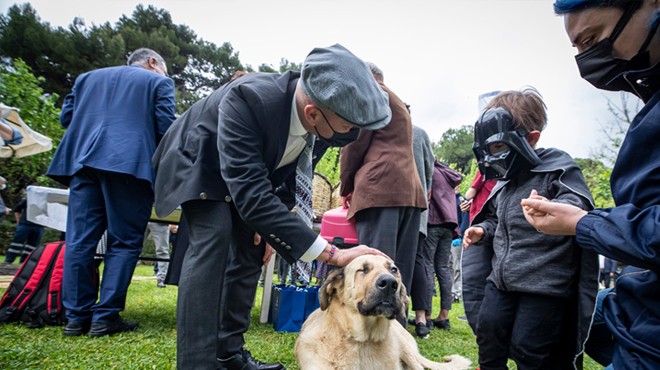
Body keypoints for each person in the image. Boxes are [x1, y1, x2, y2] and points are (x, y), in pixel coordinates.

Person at [152, 44, 392, 370]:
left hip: (247, 178)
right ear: (312, 113)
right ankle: (197, 364)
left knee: (253, 248)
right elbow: (250, 193)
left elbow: (290, 180)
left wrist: (271, 230)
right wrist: (333, 254)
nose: (353, 133)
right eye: (350, 126)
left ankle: (229, 355)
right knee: (215, 236)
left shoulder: (324, 122)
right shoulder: (250, 99)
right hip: (198, 162)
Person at [521, 2, 660, 369]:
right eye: (578, 48)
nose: (586, 60)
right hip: (636, 302)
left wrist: (583, 223)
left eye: (593, 39)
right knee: (573, 321)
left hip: (650, 336)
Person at [462, 88, 598, 370]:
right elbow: (497, 221)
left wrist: (551, 204)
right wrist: (483, 231)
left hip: (544, 286)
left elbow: (578, 208)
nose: (492, 156)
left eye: (499, 147)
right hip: (501, 282)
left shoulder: (557, 170)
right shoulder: (505, 183)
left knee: (529, 349)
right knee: (488, 335)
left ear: (531, 138)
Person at [46, 48, 176, 337]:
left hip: (84, 163)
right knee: (125, 242)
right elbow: (166, 128)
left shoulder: (86, 78)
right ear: (153, 63)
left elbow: (67, 119)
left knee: (79, 241)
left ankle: (76, 318)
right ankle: (105, 317)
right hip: (129, 166)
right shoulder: (158, 83)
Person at [339, 62, 427, 313]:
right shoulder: (397, 101)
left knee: (376, 264)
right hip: (409, 192)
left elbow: (353, 142)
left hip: (380, 189)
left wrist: (345, 186)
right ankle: (397, 331)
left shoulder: (373, 94)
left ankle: (371, 333)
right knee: (400, 271)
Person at [423, 160, 463, 332]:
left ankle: (426, 316)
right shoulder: (448, 174)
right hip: (449, 225)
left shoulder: (431, 172)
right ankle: (444, 316)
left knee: (427, 266)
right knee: (444, 268)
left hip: (434, 221)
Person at [408, 124, 434, 338]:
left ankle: (395, 314)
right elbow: (429, 171)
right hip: (419, 205)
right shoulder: (421, 133)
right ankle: (421, 319)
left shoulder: (381, 125)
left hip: (388, 206)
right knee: (417, 260)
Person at [3, 194, 45, 264]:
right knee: (17, 244)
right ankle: (8, 261)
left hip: (39, 226)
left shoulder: (47, 202)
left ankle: (24, 263)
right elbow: (17, 209)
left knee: (32, 246)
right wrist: (19, 221)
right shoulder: (29, 200)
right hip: (25, 225)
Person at [145, 221, 170, 288]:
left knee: (163, 251)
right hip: (141, 217)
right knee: (132, 247)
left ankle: (161, 280)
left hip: (160, 220)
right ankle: (124, 276)